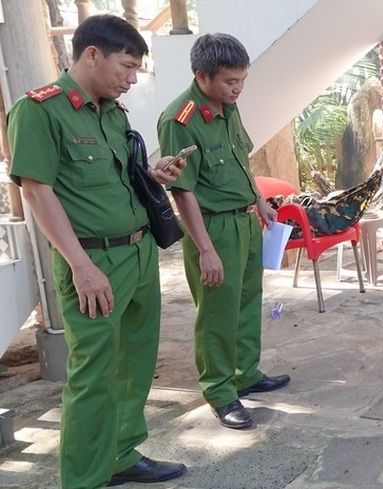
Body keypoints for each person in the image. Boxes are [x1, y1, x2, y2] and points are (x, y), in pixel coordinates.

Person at [7, 14, 187, 488]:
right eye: (126, 67)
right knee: (92, 376)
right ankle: (84, 478)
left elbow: (111, 179)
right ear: (92, 55)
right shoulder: (40, 110)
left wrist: (152, 174)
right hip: (93, 262)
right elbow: (36, 193)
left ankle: (121, 454)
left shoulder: (112, 111)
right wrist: (81, 266)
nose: (131, 79)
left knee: (135, 363)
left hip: (139, 252)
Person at [157, 33, 290, 431]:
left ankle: (245, 373)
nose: (238, 89)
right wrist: (206, 250)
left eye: (242, 80)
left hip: (246, 219)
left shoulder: (228, 107)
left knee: (248, 300)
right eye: (230, 81)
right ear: (202, 75)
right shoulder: (179, 119)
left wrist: (259, 200)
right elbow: (183, 192)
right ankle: (219, 391)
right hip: (213, 227)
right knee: (217, 313)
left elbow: (239, 158)